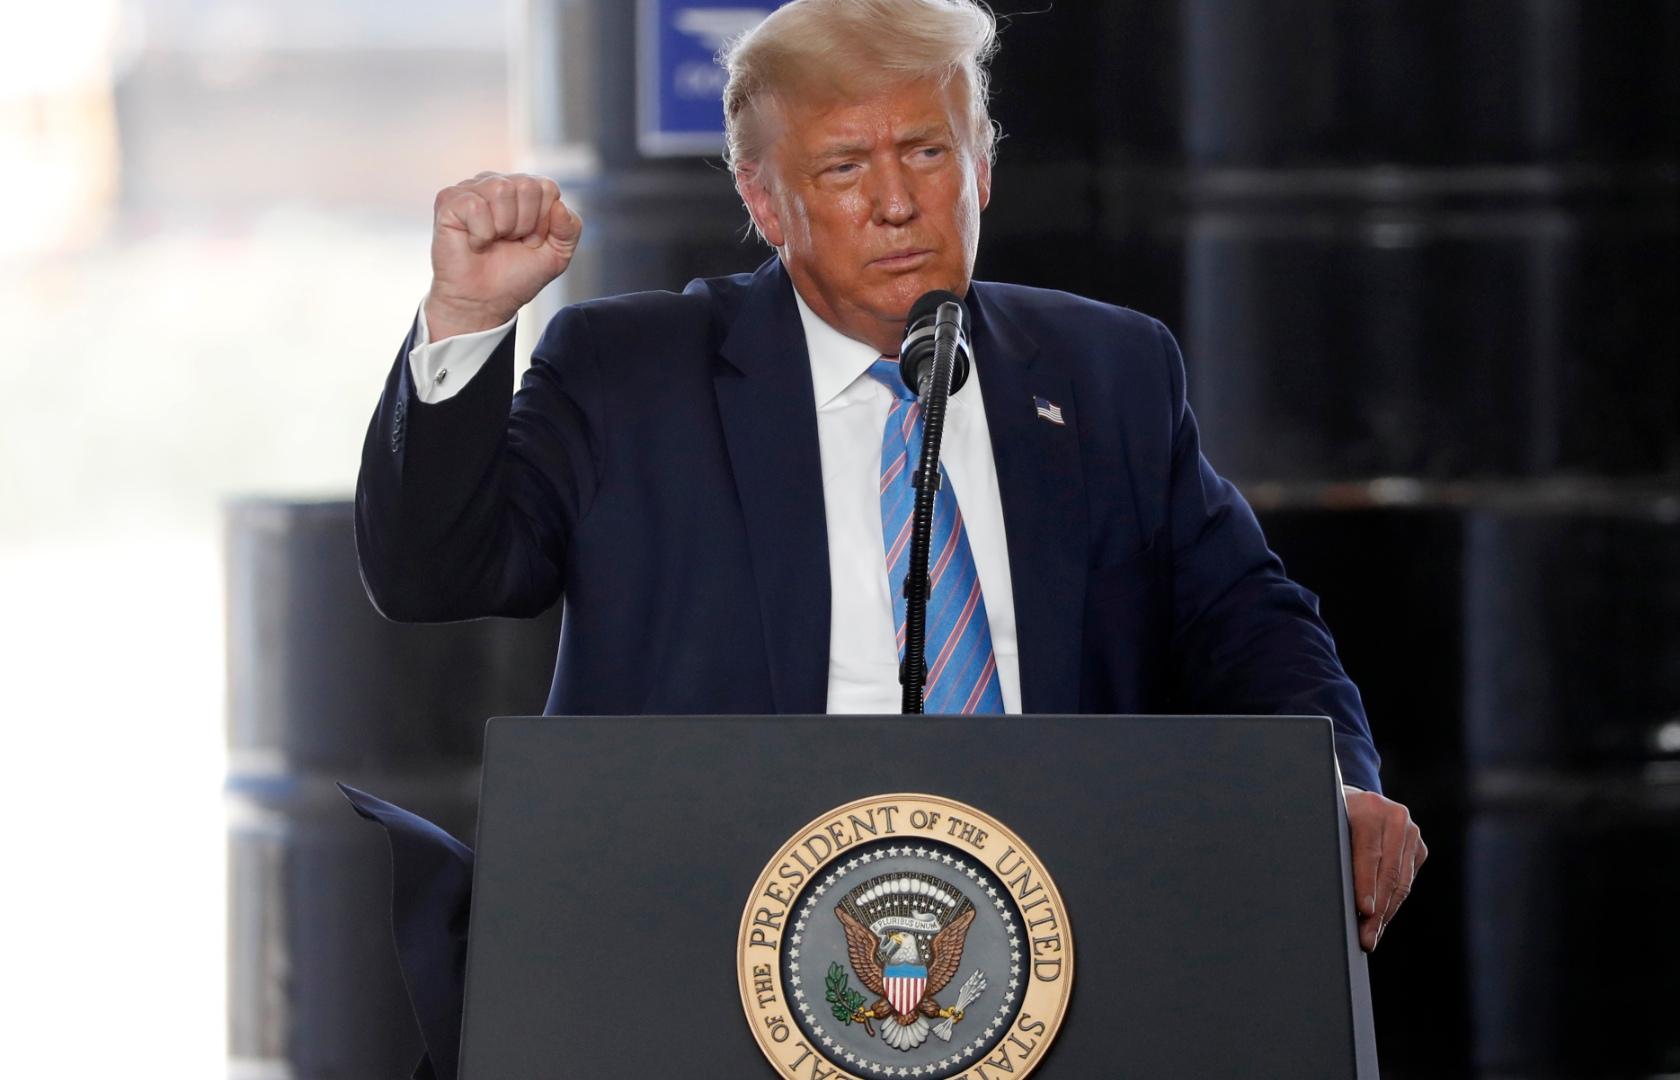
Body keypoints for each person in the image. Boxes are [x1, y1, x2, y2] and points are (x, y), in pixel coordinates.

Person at [356, 0, 1424, 955]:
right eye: (841, 168)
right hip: (701, 940)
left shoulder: (1107, 371)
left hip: (1058, 934)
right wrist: (468, 323)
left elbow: (1250, 620)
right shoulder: (630, 373)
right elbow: (431, 574)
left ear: (984, 167)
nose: (896, 203)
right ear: (766, 202)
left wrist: (1330, 788)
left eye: (926, 152)